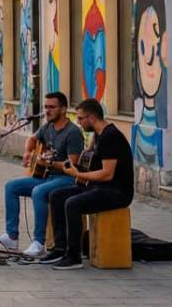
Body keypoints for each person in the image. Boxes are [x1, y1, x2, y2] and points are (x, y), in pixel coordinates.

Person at [41, 98, 134, 270]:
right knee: (57, 196)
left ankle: (74, 255)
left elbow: (107, 174)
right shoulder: (98, 135)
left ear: (91, 118)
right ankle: (60, 248)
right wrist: (78, 168)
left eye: (81, 118)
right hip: (99, 187)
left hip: (117, 192)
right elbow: (90, 159)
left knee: (73, 204)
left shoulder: (110, 136)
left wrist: (80, 174)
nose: (78, 122)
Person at [0, 91, 84, 257]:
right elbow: (32, 139)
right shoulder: (47, 127)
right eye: (46, 107)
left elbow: (72, 165)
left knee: (38, 192)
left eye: (52, 107)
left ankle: (38, 242)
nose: (47, 111)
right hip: (46, 177)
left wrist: (49, 163)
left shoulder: (73, 132)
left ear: (63, 109)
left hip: (66, 179)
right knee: (11, 187)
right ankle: (11, 236)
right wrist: (28, 152)